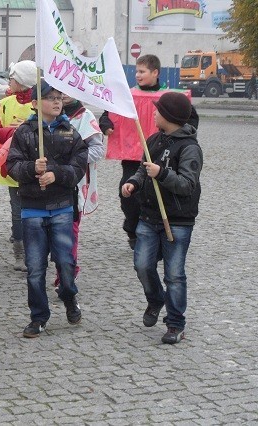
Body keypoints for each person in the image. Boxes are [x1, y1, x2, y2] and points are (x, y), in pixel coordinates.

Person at [6, 81, 87, 338]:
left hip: (62, 207)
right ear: (35, 103)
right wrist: (32, 169)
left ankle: (68, 296)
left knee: (65, 263)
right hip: (32, 209)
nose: (56, 102)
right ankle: (38, 317)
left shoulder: (71, 132)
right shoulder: (24, 133)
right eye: (50, 98)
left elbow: (78, 168)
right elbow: (12, 166)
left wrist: (55, 174)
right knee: (36, 268)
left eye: (59, 97)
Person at [121, 92, 202, 344]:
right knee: (142, 265)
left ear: (168, 116)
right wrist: (134, 182)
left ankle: (176, 323)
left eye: (157, 110)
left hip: (177, 220)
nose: (153, 113)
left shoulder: (190, 148)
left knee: (174, 275)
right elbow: (142, 169)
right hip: (148, 216)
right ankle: (155, 299)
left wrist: (162, 173)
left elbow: (187, 185)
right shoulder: (154, 139)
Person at [99, 54, 198, 249]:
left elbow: (190, 118)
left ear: (155, 73)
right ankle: (132, 228)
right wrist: (106, 124)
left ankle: (157, 229)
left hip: (161, 153)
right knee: (127, 192)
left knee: (157, 192)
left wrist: (183, 137)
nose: (137, 75)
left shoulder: (170, 98)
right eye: (136, 71)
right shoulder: (126, 95)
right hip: (131, 156)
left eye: (142, 71)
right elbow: (107, 114)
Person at [0, 60, 38, 272]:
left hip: (36, 166)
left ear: (21, 81)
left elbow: (43, 133)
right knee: (17, 212)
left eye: (12, 77)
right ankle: (19, 252)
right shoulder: (5, 103)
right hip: (12, 167)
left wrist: (25, 128)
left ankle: (36, 250)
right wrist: (14, 132)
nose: (9, 80)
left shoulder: (39, 102)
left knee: (35, 210)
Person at [53, 93, 104, 287]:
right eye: (58, 91)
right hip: (46, 183)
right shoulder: (45, 115)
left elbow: (98, 150)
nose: (62, 96)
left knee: (69, 230)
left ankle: (67, 274)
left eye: (67, 90)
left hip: (74, 184)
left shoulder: (85, 116)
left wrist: (71, 159)